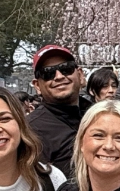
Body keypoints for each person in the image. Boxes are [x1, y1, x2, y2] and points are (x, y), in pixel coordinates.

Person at [28, 45, 89, 175]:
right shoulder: (31, 130)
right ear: (37, 85)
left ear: (80, 74)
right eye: (48, 73)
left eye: (66, 69)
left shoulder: (99, 115)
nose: (59, 76)